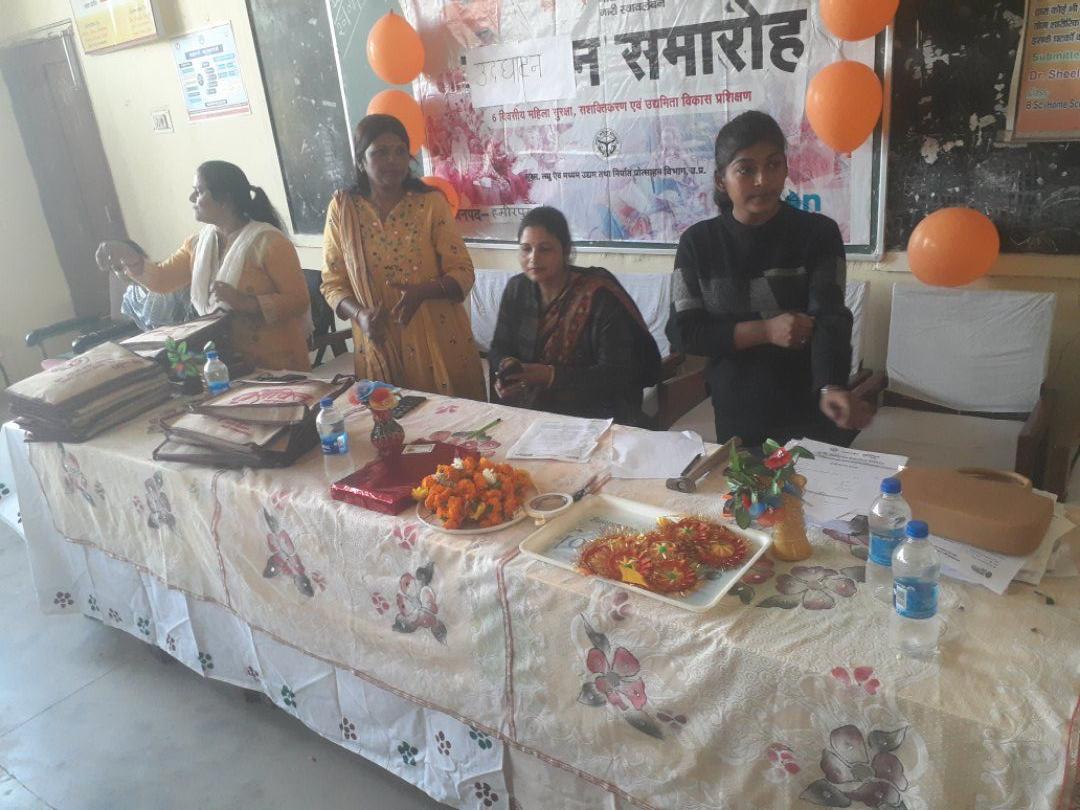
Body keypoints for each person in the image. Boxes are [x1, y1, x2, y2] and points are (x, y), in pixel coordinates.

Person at [667, 110, 871, 447]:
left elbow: (830, 316)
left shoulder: (818, 234)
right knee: (747, 483)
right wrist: (765, 331)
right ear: (721, 180)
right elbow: (683, 332)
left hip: (811, 406)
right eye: (746, 169)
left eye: (774, 165)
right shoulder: (698, 243)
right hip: (738, 410)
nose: (763, 180)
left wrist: (832, 386)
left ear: (786, 169)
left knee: (812, 481)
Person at [320, 114, 485, 399]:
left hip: (436, 337)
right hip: (376, 337)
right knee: (388, 418)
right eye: (380, 152)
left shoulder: (430, 204)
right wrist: (359, 315)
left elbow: (463, 272)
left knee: (446, 420)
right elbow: (332, 283)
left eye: (400, 151)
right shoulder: (343, 209)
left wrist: (422, 292)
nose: (393, 160)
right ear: (361, 161)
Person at [96, 161, 311, 371]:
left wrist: (247, 303)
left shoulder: (269, 242)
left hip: (279, 364)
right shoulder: (197, 244)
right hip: (225, 364)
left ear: (225, 199)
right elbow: (162, 280)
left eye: (198, 191)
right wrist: (129, 255)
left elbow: (299, 300)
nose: (192, 198)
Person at [489, 206, 661, 425]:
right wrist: (507, 368)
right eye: (526, 249)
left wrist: (549, 375)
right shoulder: (517, 289)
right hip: (534, 412)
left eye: (545, 249)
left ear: (566, 251)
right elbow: (498, 347)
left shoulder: (599, 295)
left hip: (600, 415)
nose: (533, 258)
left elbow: (617, 374)